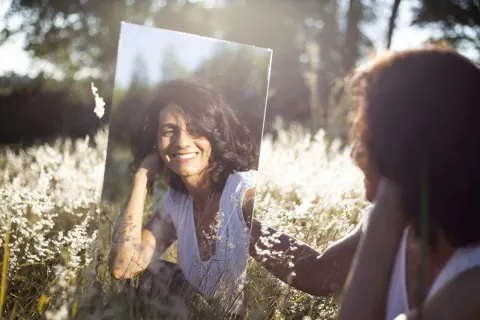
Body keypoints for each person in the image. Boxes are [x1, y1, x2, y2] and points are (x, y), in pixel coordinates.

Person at [108, 79, 353, 318]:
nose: (182, 142)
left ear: (213, 135)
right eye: (169, 131)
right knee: (151, 277)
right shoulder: (177, 203)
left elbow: (315, 275)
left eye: (194, 127)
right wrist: (141, 177)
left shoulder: (242, 193)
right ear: (156, 144)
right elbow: (124, 266)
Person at [338, 48, 480, 320]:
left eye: (367, 137)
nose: (356, 154)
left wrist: (388, 206)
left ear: (402, 150)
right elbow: (314, 271)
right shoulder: (411, 234)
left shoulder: (472, 289)